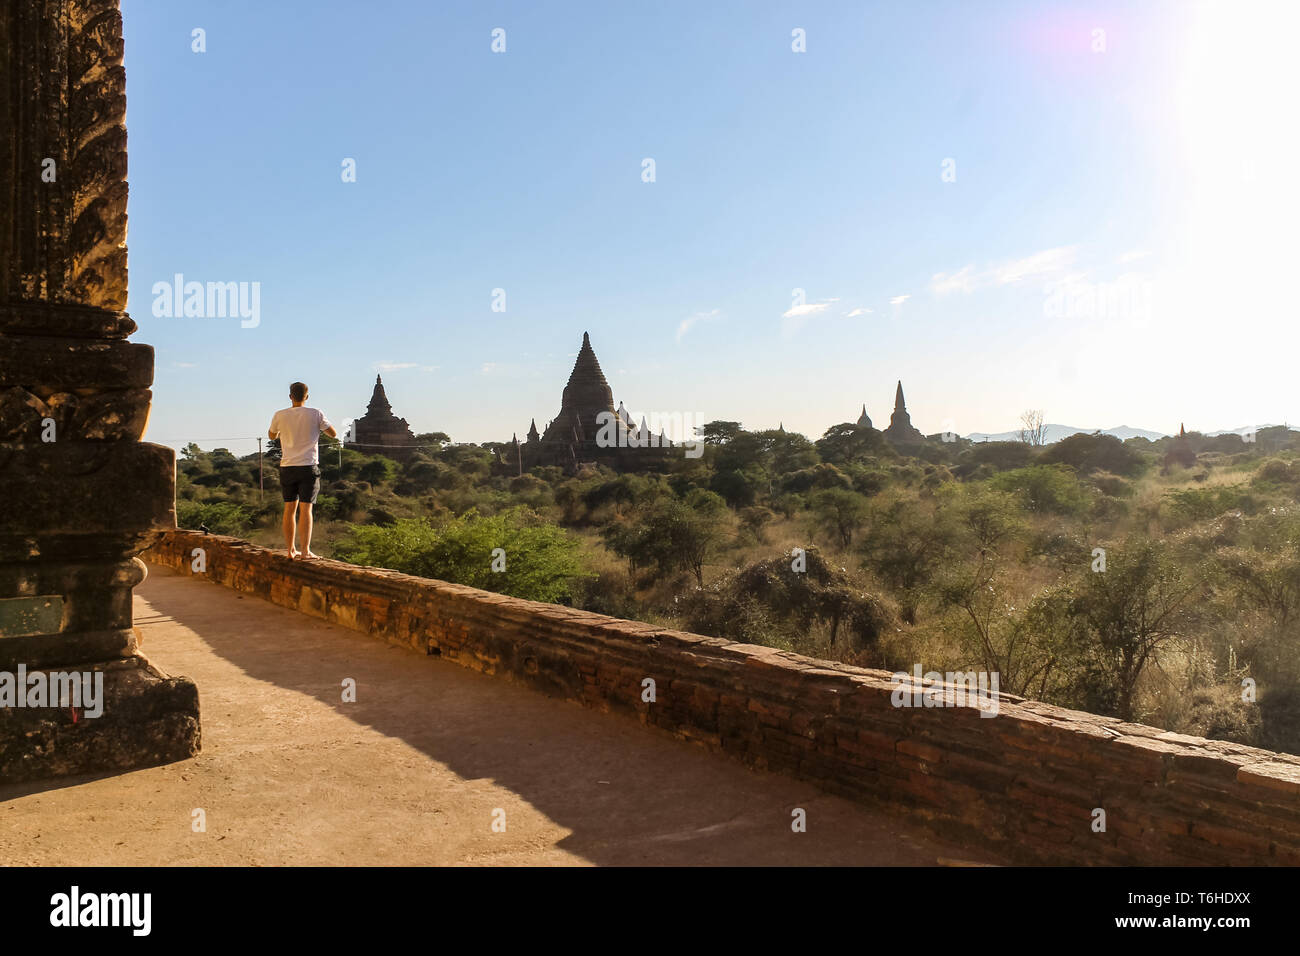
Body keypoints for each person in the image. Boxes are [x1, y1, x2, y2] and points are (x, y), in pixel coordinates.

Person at [268, 382, 336, 559]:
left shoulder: (279, 415)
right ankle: (305, 551)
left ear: (290, 396)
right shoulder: (315, 413)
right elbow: (333, 434)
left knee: (289, 509)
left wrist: (283, 432)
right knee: (306, 509)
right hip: (308, 466)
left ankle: (290, 550)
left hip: (287, 466)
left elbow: (271, 435)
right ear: (307, 396)